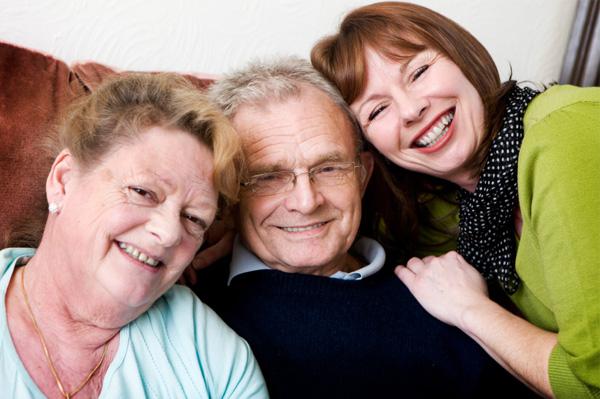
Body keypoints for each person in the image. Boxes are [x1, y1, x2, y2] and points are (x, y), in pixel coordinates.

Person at [195, 56, 532, 399]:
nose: (307, 201)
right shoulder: (189, 305)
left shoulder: (448, 288)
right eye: (268, 177)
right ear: (227, 192)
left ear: (363, 174)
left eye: (329, 168)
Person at [311, 2, 600, 398]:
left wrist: (471, 310)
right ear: (369, 149)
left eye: (419, 71)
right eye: (378, 110)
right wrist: (227, 208)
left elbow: (592, 383)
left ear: (461, 55)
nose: (412, 110)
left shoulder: (559, 134)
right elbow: (321, 216)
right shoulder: (466, 211)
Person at [1, 72, 267, 398]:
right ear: (64, 180)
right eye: (142, 191)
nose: (169, 233)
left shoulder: (215, 357)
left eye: (194, 219)